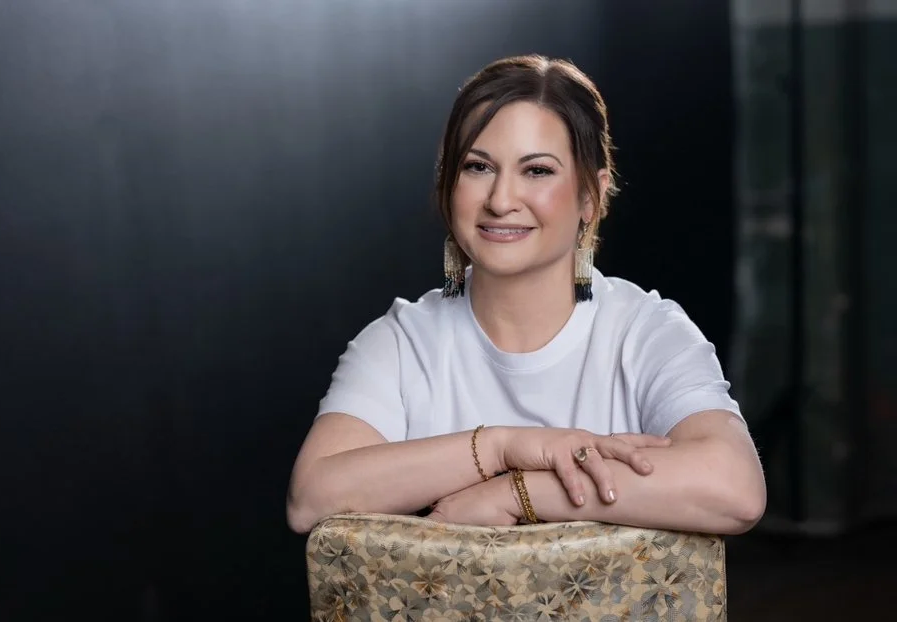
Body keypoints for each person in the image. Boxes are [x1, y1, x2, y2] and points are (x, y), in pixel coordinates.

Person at [286, 54, 766, 536]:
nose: (499, 200)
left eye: (536, 171)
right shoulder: (400, 342)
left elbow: (736, 490)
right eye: (477, 167)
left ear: (590, 197)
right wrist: (500, 447)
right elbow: (310, 500)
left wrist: (517, 492)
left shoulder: (645, 331)